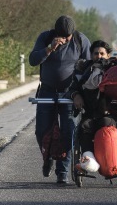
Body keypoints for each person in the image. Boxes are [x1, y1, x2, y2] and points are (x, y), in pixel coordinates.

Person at [29, 15, 91, 184]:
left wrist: (80, 92)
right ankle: (47, 156)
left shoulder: (80, 40)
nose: (65, 39)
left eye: (67, 37)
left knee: (69, 131)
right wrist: (49, 49)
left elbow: (89, 67)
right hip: (47, 90)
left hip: (70, 93)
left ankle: (62, 171)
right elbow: (33, 60)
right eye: (62, 36)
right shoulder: (45, 38)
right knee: (41, 130)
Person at [68, 40, 117, 170]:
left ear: (108, 55)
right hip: (90, 113)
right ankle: (90, 160)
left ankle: (108, 161)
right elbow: (72, 87)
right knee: (85, 126)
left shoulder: (116, 70)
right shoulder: (82, 70)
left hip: (109, 114)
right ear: (91, 55)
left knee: (105, 124)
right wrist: (76, 95)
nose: (99, 56)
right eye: (96, 53)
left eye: (102, 53)